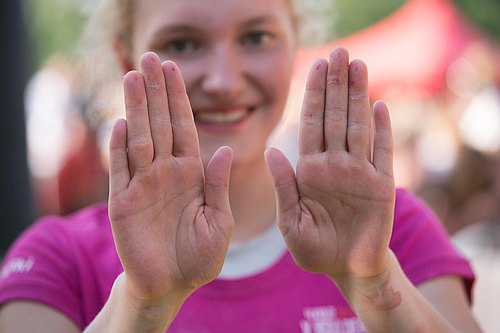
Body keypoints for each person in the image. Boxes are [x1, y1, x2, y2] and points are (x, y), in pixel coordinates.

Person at [0, 0, 482, 332]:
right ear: (124, 56)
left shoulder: (391, 232)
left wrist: (373, 279)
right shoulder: (58, 260)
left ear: (296, 44)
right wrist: (142, 305)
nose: (225, 80)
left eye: (256, 36)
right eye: (183, 44)